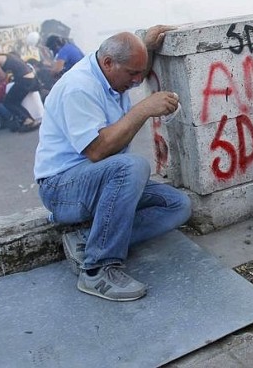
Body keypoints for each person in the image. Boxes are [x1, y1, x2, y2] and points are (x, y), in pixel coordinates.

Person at [33, 26, 191, 302]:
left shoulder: (110, 72)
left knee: (178, 206)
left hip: (97, 181)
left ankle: (86, 239)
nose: (136, 81)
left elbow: (129, 68)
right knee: (132, 166)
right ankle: (97, 269)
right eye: (132, 74)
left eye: (139, 74)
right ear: (108, 63)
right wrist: (142, 109)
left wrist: (147, 47)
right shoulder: (78, 88)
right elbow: (97, 151)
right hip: (61, 188)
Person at [0, 47, 40, 132]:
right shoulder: (6, 56)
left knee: (8, 102)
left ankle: (27, 119)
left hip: (23, 80)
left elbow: (2, 77)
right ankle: (29, 119)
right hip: (31, 78)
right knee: (15, 101)